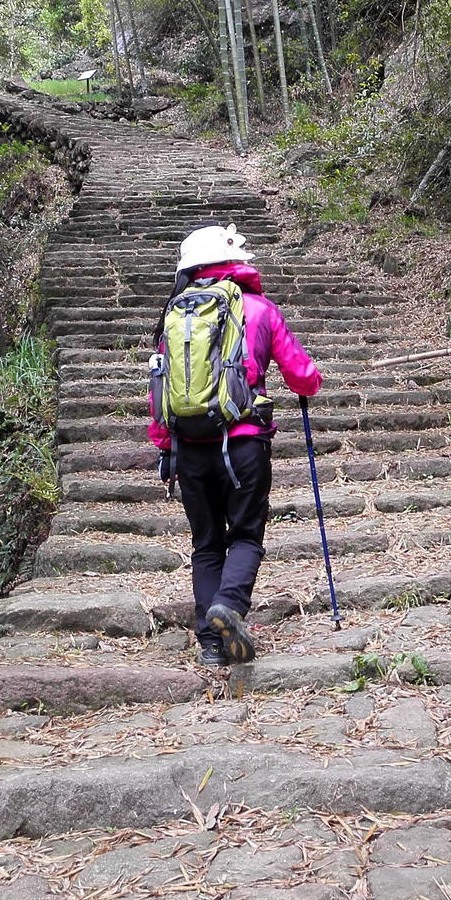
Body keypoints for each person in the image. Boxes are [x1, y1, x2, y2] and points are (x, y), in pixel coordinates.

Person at [148, 223, 322, 666]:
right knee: (245, 535)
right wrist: (309, 382)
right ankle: (228, 605)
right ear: (234, 262)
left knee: (206, 544)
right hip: (244, 444)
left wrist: (165, 445)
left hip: (189, 446)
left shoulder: (174, 315)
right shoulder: (259, 309)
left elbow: (160, 388)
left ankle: (211, 643)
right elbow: (303, 376)